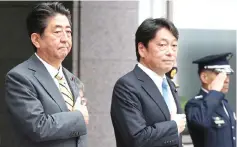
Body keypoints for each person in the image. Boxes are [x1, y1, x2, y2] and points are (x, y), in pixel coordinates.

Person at [5, 2, 89, 147]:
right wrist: (79, 117)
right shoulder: (20, 78)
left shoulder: (73, 80)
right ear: (36, 40)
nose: (65, 38)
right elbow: (38, 127)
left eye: (68, 32)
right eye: (57, 32)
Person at [110, 18, 186, 147]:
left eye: (174, 45)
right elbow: (136, 138)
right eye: (162, 45)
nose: (170, 52)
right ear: (142, 49)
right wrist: (173, 127)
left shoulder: (170, 85)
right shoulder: (127, 86)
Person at [185, 52, 236, 147]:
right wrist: (215, 91)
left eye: (227, 74)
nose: (226, 80)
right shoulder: (195, 104)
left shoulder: (225, 104)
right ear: (204, 77)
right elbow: (200, 122)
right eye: (220, 75)